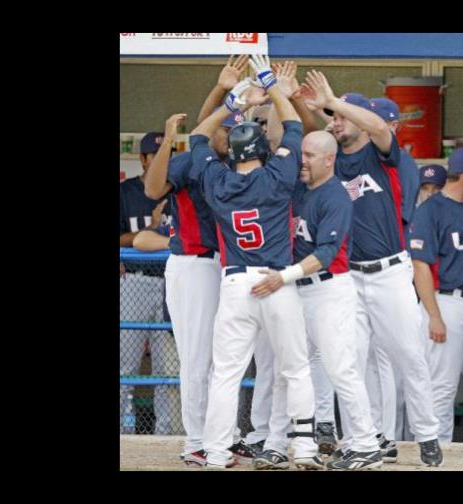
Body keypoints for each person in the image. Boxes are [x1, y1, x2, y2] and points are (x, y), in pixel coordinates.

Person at [301, 70, 443, 467]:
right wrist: (305, 103)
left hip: (390, 273)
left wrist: (334, 102)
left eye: (342, 117)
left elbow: (380, 127)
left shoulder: (383, 153)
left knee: (409, 356)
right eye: (333, 118)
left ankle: (428, 434)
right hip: (348, 277)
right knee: (352, 362)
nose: (335, 122)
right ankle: (363, 440)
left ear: (359, 120)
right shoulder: (334, 160)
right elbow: (314, 138)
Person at [186, 56, 320, 470]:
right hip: (275, 280)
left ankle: (216, 452)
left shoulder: (217, 179)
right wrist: (272, 87)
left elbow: (197, 135)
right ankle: (305, 448)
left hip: (235, 283)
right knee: (295, 368)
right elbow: (293, 125)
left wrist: (233, 103)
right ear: (263, 149)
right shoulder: (278, 174)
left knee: (226, 374)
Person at [142, 56, 269, 467]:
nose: (231, 134)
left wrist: (231, 95)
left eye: (236, 128)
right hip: (193, 263)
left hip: (225, 267)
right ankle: (196, 440)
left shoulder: (235, 162)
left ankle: (222, 436)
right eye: (227, 127)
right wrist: (169, 140)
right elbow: (152, 190)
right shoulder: (192, 159)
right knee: (198, 358)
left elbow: (211, 129)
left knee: (224, 359)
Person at [276, 130, 384, 470]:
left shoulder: (336, 195)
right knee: (291, 370)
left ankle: (366, 445)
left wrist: (283, 277)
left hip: (328, 290)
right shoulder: (300, 190)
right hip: (299, 290)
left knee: (341, 369)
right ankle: (289, 443)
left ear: (329, 159)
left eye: (310, 156)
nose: (303, 161)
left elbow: (325, 255)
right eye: (302, 154)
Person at [409, 147, 463, 444]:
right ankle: (438, 450)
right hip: (448, 302)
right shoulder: (430, 210)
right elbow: (420, 266)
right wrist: (434, 316)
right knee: (442, 387)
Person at [120, 130, 178, 437]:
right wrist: (153, 228)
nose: (162, 162)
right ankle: (122, 431)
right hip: (135, 281)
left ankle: (165, 434)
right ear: (143, 159)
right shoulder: (126, 192)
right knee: (125, 365)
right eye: (156, 156)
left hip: (172, 283)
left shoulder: (177, 190)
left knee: (166, 368)